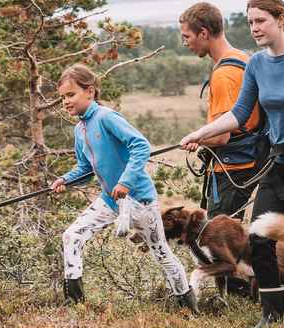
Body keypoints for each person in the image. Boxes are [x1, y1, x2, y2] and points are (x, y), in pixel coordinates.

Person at [180, 0, 284, 328]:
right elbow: (239, 114)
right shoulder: (255, 63)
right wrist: (200, 132)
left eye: (261, 20)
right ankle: (274, 312)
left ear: (281, 19)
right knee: (258, 236)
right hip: (280, 164)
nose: (254, 28)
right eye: (251, 21)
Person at [52, 63, 194, 311]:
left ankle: (187, 305)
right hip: (109, 200)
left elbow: (140, 146)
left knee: (162, 255)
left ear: (90, 92)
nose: (65, 101)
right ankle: (75, 305)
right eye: (63, 97)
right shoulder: (80, 129)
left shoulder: (106, 117)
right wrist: (65, 180)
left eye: (71, 94)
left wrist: (125, 182)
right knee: (72, 235)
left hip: (140, 201)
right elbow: (85, 169)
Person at [178, 1, 268, 218]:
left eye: (187, 37)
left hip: (233, 167)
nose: (184, 43)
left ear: (203, 33)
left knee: (217, 240)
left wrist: (196, 139)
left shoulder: (224, 74)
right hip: (252, 159)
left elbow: (221, 137)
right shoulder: (242, 57)